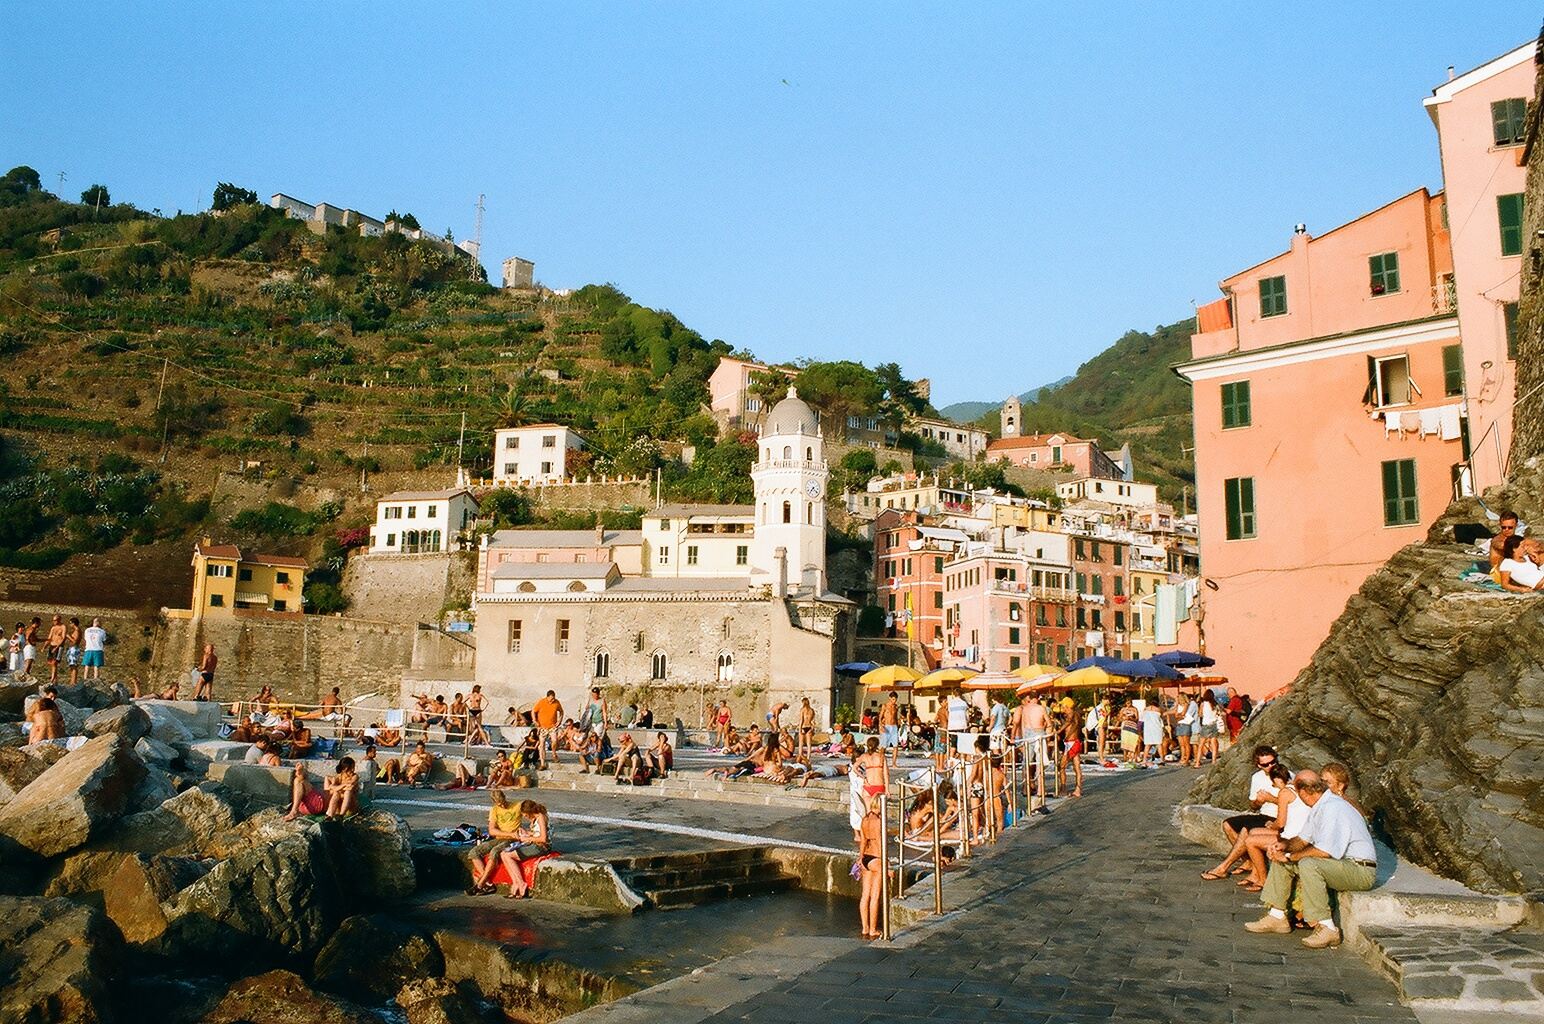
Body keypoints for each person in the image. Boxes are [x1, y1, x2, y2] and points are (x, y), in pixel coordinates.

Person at [1245, 770, 1379, 949]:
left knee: (1309, 864)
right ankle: (1277, 916)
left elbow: (1324, 851)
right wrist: (1283, 847)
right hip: (1342, 865)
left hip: (1360, 870)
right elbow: (1302, 840)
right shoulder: (1320, 806)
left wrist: (1290, 856)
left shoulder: (1333, 807)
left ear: (1304, 792)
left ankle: (1327, 928)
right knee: (1282, 860)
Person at [1221, 746, 1284, 845]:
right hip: (1263, 815)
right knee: (1227, 824)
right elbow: (1253, 806)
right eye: (1266, 764)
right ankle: (1246, 859)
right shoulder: (1257, 777)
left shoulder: (1285, 776)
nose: (1271, 766)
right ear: (1259, 765)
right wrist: (1258, 802)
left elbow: (1294, 803)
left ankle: (1232, 861)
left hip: (1278, 817)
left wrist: (1271, 799)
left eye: (1273, 762)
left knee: (1246, 831)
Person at [467, 789, 525, 895]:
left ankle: (479, 885)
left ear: (505, 797)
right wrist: (508, 833)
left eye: (503, 803)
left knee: (495, 852)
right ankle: (488, 884)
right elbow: (492, 830)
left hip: (513, 838)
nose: (502, 806)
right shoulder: (494, 810)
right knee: (474, 853)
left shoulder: (517, 806)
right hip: (501, 837)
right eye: (499, 804)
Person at [498, 799, 551, 899]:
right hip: (535, 843)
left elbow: (543, 838)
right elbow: (537, 833)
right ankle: (516, 882)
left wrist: (527, 838)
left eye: (526, 815)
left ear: (529, 812)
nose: (526, 818)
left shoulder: (541, 818)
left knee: (508, 855)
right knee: (503, 854)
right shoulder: (537, 818)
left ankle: (521, 883)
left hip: (541, 847)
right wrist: (526, 832)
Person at [857, 794, 884, 939]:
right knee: (875, 896)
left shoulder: (865, 819)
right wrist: (886, 861)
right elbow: (879, 842)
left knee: (864, 896)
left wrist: (861, 858)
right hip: (876, 858)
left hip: (866, 857)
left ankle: (865, 928)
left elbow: (862, 841)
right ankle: (873, 929)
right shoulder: (878, 821)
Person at [1057, 700, 1083, 798]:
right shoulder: (1076, 714)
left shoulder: (1071, 714)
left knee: (1062, 766)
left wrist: (1059, 731)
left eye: (1063, 706)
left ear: (1067, 706)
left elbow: (1068, 722)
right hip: (1075, 741)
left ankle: (1063, 789)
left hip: (1071, 743)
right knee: (1076, 767)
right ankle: (1078, 789)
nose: (1062, 708)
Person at [855, 736, 888, 812]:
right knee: (879, 813)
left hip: (868, 786)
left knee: (868, 812)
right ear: (877, 745)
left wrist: (863, 777)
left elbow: (854, 768)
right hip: (879, 786)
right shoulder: (882, 756)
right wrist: (887, 789)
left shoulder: (864, 756)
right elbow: (886, 774)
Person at [533, 690, 564, 766]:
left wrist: (559, 720)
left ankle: (553, 753)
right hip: (542, 726)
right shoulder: (541, 702)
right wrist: (535, 720)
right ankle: (542, 763)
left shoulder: (556, 703)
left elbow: (561, 712)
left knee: (555, 740)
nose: (553, 700)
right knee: (542, 744)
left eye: (554, 698)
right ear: (547, 697)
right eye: (551, 699)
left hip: (552, 726)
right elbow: (533, 711)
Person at [1192, 692, 1220, 766]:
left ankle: (1197, 762)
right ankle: (1214, 761)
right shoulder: (1215, 704)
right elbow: (1218, 713)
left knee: (1201, 744)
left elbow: (1200, 714)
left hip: (1206, 725)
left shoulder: (1203, 704)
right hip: (1214, 724)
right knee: (1214, 744)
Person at [878, 692, 901, 766]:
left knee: (896, 746)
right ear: (890, 698)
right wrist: (881, 726)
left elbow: (895, 717)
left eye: (895, 699)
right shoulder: (885, 706)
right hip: (886, 726)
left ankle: (894, 763)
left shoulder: (896, 707)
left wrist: (898, 726)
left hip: (894, 727)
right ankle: (880, 761)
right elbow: (880, 717)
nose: (894, 701)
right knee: (883, 746)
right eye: (893, 699)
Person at [64, 617, 81, 686]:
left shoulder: (77, 631)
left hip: (74, 648)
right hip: (71, 648)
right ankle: (72, 681)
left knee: (73, 665)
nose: (70, 625)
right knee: (71, 665)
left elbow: (75, 641)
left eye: (70, 623)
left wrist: (68, 636)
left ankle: (73, 681)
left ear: (73, 623)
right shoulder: (75, 630)